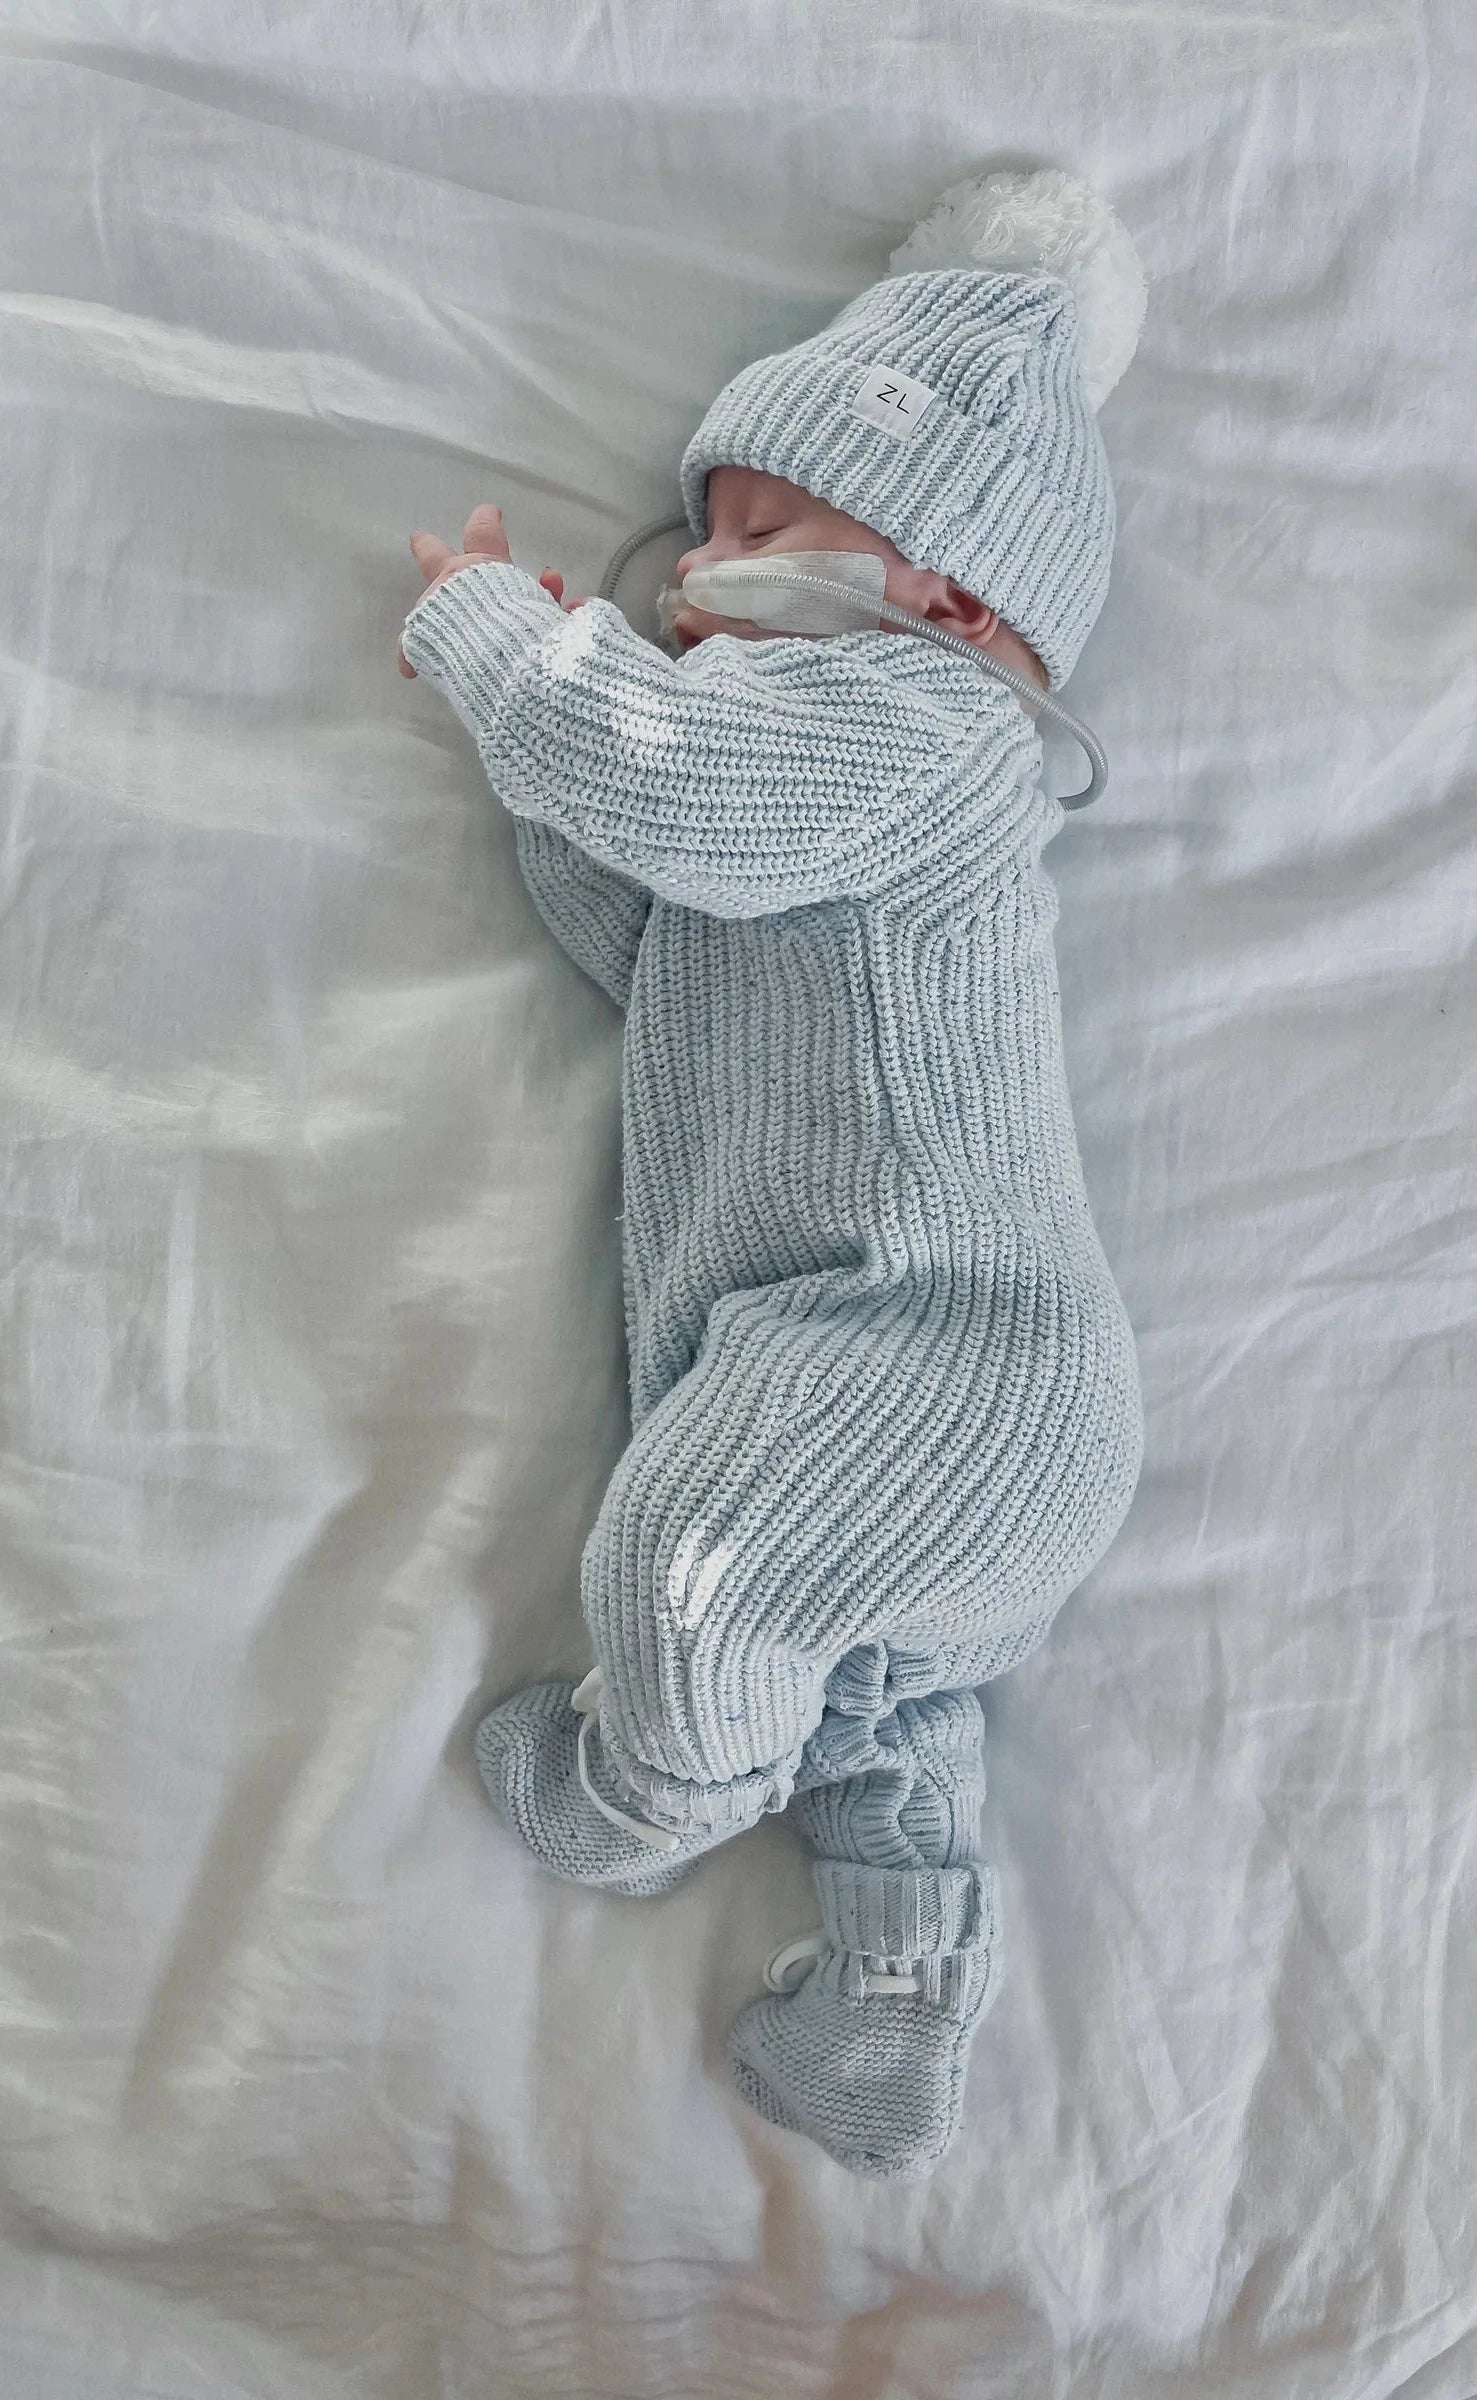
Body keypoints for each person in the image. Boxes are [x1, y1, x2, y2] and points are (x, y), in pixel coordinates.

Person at [398, 167, 1148, 2179]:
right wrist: (564, 752)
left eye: (764, 524)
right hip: (923, 1394)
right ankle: (893, 1996)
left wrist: (507, 653)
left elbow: (671, 788)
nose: (699, 561)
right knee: (873, 1707)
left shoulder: (924, 723)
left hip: (930, 1351)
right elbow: (661, 936)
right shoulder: (811, 766)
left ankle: (645, 1800)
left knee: (692, 1569)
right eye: (703, 524)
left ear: (953, 594)